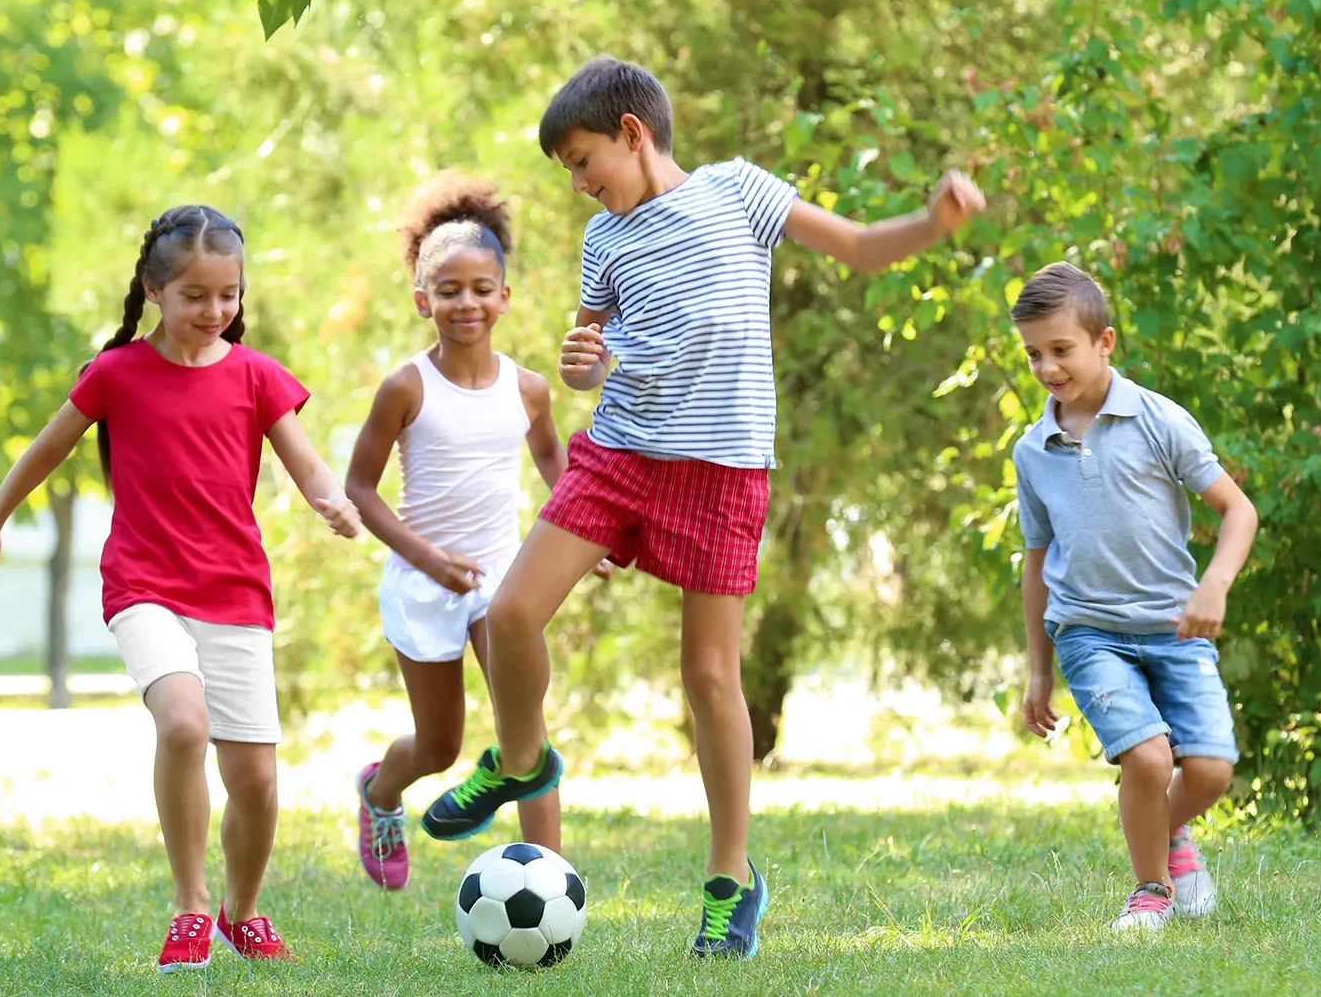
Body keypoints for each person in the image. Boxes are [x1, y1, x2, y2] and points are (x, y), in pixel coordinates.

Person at [417, 55, 987, 959]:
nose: (577, 184)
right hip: (619, 454)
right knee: (514, 612)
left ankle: (731, 882)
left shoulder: (738, 192)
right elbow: (599, 352)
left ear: (633, 134)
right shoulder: (604, 241)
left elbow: (854, 245)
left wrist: (932, 221)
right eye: (566, 169)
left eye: (581, 159)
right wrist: (583, 368)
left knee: (710, 677)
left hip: (721, 469)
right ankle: (517, 762)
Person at [0, 205, 361, 972]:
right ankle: (188, 907)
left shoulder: (257, 376)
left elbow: (304, 461)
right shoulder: (115, 374)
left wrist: (329, 499)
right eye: (195, 297)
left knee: (255, 783)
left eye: (228, 295)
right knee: (183, 725)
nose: (214, 312)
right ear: (154, 290)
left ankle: (240, 912)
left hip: (235, 590)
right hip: (144, 582)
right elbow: (45, 451)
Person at [342, 175, 603, 891]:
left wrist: (582, 529)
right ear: (423, 300)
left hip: (502, 582)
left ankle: (549, 881)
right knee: (439, 747)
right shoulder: (406, 387)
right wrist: (426, 558)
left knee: (526, 735)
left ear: (505, 296)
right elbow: (359, 490)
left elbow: (553, 456)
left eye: (482, 288)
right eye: (449, 290)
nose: (467, 303)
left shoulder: (527, 388)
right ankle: (379, 792)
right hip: (422, 581)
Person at [1009, 261, 1259, 932]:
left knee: (1209, 771)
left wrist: (1214, 585)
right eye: (1034, 353)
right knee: (1147, 758)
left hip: (1175, 625)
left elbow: (1238, 511)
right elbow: (1037, 562)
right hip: (1088, 630)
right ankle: (1150, 889)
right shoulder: (1032, 450)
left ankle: (1168, 836)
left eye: (1061, 350)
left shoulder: (1158, 420)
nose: (1047, 366)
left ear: (1105, 342)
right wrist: (1038, 668)